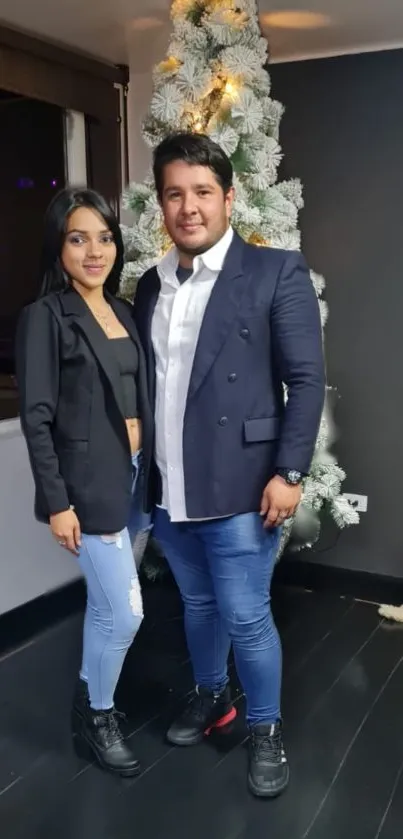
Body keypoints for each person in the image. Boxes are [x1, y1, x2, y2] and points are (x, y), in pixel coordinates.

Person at [133, 133, 326, 798]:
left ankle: (264, 727)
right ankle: (212, 696)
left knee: (245, 615)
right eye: (174, 193)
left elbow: (305, 380)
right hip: (169, 487)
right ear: (161, 202)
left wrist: (290, 471)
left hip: (244, 485)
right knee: (196, 604)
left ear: (228, 197)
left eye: (202, 192)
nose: (188, 207)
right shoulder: (148, 284)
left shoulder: (275, 272)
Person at [15, 188, 154, 777]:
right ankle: (98, 713)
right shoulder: (44, 317)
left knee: (105, 607)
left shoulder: (122, 311)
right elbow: (36, 418)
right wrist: (57, 503)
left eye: (104, 237)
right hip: (88, 490)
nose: (94, 250)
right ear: (59, 246)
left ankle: (85, 700)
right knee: (125, 614)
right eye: (78, 238)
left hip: (134, 479)